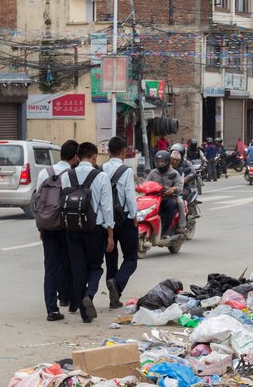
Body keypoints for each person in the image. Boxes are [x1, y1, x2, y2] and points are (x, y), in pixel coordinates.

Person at [63, 143, 115, 323]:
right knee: (95, 266)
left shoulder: (67, 176)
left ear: (77, 157)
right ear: (93, 157)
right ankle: (89, 295)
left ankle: (85, 314)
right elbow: (107, 208)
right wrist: (110, 234)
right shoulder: (101, 176)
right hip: (94, 229)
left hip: (72, 228)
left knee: (78, 270)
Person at [36, 140, 79, 321]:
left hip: (47, 224)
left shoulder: (45, 172)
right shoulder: (72, 174)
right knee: (70, 263)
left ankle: (51, 309)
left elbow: (38, 199)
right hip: (66, 225)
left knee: (51, 266)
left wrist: (40, 225)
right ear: (75, 157)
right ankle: (69, 298)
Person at [103, 136, 138, 310]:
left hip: (105, 220)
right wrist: (134, 216)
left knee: (111, 258)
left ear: (108, 151)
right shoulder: (127, 171)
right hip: (124, 218)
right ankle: (116, 285)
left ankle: (113, 299)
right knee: (131, 258)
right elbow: (130, 197)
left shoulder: (101, 169)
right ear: (124, 151)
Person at [145, 151, 184, 238]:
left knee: (172, 205)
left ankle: (166, 230)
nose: (160, 163)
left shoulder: (175, 173)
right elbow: (146, 183)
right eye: (158, 162)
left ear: (167, 161)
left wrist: (172, 189)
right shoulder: (153, 172)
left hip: (167, 198)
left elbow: (179, 187)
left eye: (162, 162)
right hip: (154, 198)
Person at [170, 145, 193, 230]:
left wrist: (186, 178)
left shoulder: (186, 163)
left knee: (180, 200)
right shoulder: (167, 164)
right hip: (168, 187)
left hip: (183, 187)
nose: (174, 161)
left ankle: (182, 224)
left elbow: (193, 172)